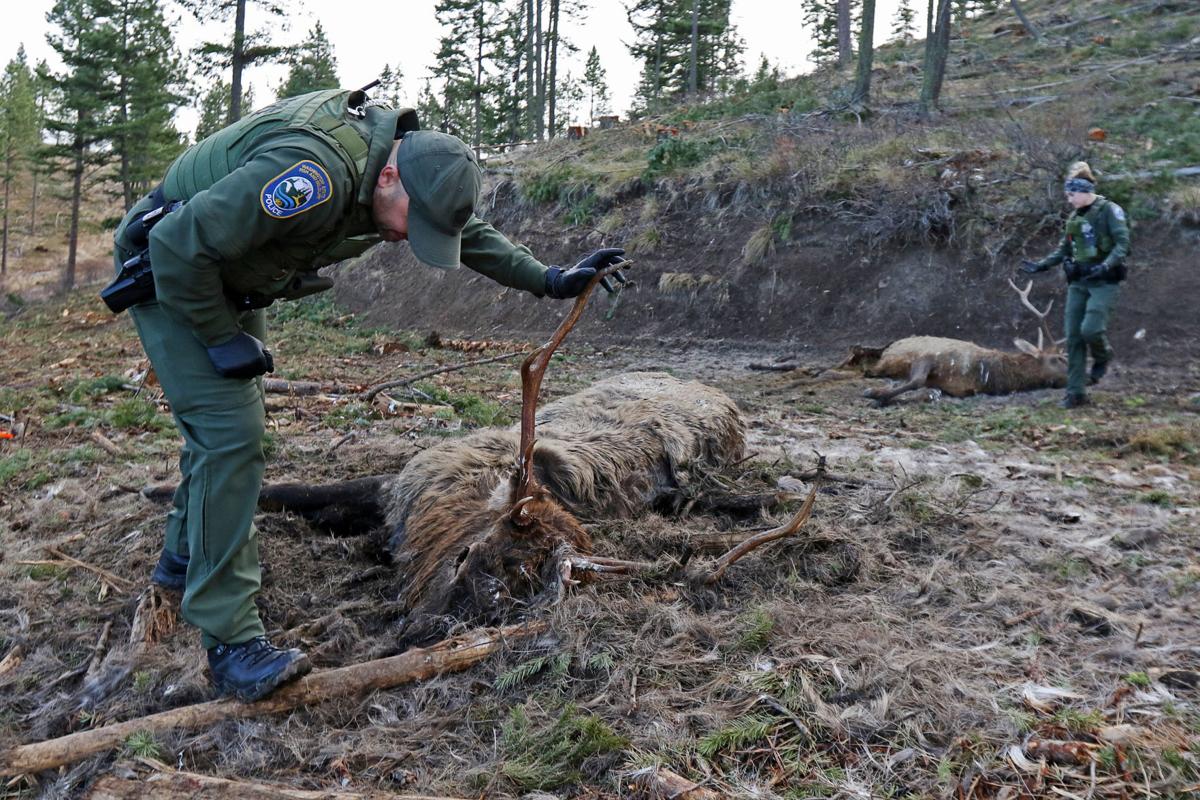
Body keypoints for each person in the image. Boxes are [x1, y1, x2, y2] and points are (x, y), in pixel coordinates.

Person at [110, 88, 626, 702]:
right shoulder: (312, 175)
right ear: (387, 174)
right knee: (230, 434)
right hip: (174, 272)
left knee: (227, 432)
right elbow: (175, 245)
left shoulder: (411, 168)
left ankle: (182, 557)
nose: (412, 238)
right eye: (415, 222)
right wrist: (220, 339)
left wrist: (547, 279)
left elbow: (465, 227)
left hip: (226, 273)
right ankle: (230, 642)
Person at [1019, 161, 1130, 409]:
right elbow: (1064, 248)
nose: (1069, 200)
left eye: (1071, 195)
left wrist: (1106, 265)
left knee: (1091, 329)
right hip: (1079, 282)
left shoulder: (1109, 211)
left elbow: (1123, 245)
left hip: (1104, 282)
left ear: (1083, 191)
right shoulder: (1075, 216)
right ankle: (1076, 392)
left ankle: (1103, 356)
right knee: (1073, 337)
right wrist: (1042, 265)